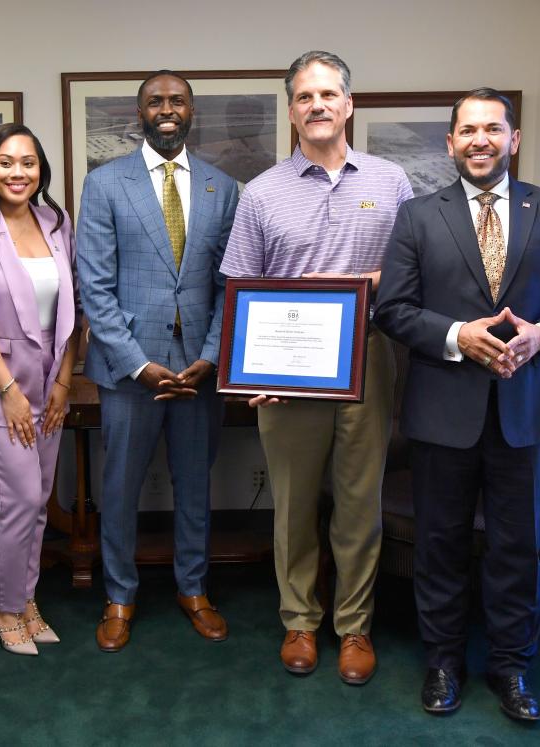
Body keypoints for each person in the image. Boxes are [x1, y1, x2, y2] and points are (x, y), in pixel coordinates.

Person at [374, 88, 540, 720]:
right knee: (441, 544)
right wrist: (458, 336)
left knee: (516, 546)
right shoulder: (419, 215)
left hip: (528, 413)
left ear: (514, 138)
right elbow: (391, 307)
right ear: (450, 142)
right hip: (442, 411)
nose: (480, 140)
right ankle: (444, 663)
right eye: (467, 131)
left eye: (493, 129)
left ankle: (511, 668)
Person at [220, 51, 413, 682]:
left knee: (361, 502)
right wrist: (251, 372)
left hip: (370, 358)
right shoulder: (262, 193)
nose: (318, 106)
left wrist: (370, 280)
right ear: (292, 109)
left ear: (350, 104)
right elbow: (240, 287)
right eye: (305, 97)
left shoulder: (391, 182)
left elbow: (415, 278)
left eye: (329, 94)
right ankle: (299, 621)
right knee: (294, 503)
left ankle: (353, 628)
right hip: (287, 368)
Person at [76, 70, 239, 651]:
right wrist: (137, 363)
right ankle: (119, 595)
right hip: (129, 371)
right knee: (119, 485)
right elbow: (93, 285)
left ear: (192, 110)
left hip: (198, 368)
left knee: (195, 481)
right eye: (155, 101)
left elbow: (230, 284)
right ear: (139, 111)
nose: (166, 109)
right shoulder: (104, 183)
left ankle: (192, 588)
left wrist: (212, 355)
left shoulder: (224, 187)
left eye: (177, 100)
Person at [0, 124, 81, 655]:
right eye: (6, 162)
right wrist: (8, 390)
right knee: (20, 498)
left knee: (40, 502)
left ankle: (27, 601)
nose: (17, 172)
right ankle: (5, 606)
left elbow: (73, 311)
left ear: (40, 170)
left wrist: (65, 382)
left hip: (50, 382)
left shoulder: (56, 221)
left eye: (27, 162)